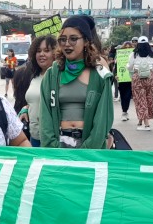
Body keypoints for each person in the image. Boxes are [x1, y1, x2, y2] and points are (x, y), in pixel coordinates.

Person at [40, 15, 113, 149]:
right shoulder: (51, 75)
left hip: (90, 147)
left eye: (73, 39)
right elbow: (45, 119)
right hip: (58, 146)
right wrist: (54, 147)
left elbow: (103, 120)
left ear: (86, 41)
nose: (67, 44)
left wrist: (87, 150)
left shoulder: (100, 74)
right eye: (62, 39)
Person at [13, 35, 57, 147]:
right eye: (38, 51)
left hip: (52, 139)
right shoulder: (34, 76)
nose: (41, 54)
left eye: (46, 51)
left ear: (55, 53)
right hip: (34, 137)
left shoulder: (59, 76)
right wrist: (26, 108)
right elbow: (36, 100)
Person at [126, 36, 153, 130]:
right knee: (149, 99)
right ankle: (140, 121)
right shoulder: (152, 53)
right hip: (150, 77)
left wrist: (128, 66)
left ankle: (146, 124)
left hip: (137, 77)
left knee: (140, 100)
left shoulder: (134, 54)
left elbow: (130, 67)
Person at [115, 41, 134, 123]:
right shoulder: (119, 55)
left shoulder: (134, 56)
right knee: (123, 97)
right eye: (125, 47)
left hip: (131, 79)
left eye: (129, 47)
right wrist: (115, 74)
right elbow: (116, 67)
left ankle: (125, 111)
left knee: (128, 96)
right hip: (122, 79)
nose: (127, 48)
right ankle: (124, 112)